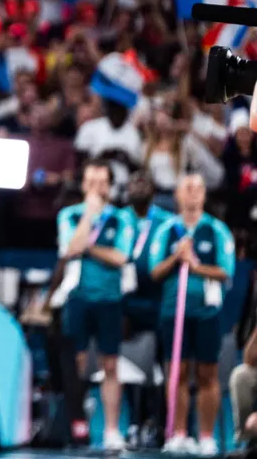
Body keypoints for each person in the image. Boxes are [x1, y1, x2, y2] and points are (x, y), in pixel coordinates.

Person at [149, 173, 237, 456]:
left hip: (206, 313)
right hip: (173, 312)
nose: (193, 193)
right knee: (177, 373)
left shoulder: (216, 230)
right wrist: (177, 257)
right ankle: (178, 433)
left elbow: (226, 272)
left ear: (204, 194)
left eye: (198, 188)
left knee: (207, 374)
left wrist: (195, 266)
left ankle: (207, 436)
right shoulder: (166, 230)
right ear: (177, 194)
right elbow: (154, 271)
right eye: (187, 188)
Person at [54, 160, 133, 451]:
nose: (96, 188)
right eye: (91, 182)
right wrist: (88, 215)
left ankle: (112, 430)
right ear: (83, 185)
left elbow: (121, 257)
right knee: (75, 365)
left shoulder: (121, 218)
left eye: (102, 183)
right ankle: (77, 424)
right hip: (78, 299)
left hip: (110, 300)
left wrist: (87, 247)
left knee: (110, 364)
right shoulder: (70, 214)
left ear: (110, 187)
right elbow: (69, 249)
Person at [122, 169, 172, 448]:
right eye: (134, 182)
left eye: (144, 182)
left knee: (161, 368)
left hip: (160, 301)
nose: (138, 186)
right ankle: (134, 423)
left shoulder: (167, 222)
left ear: (153, 190)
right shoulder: (118, 219)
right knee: (129, 365)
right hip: (128, 304)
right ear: (127, 190)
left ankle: (160, 423)